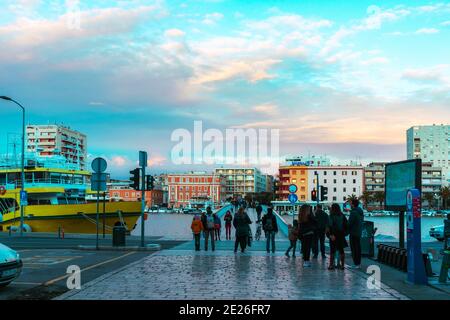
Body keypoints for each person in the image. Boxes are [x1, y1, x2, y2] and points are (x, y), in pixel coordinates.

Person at [326, 204, 348, 270]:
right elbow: (346, 225)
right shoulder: (342, 216)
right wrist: (344, 233)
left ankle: (331, 265)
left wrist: (329, 235)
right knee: (341, 250)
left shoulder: (331, 216)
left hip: (333, 235)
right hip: (341, 235)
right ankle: (342, 265)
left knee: (332, 251)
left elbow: (329, 226)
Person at [348, 199, 364, 268]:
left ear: (353, 204)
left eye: (351, 204)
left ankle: (356, 264)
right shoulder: (360, 211)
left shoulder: (353, 212)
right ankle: (358, 263)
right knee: (358, 247)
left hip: (353, 232)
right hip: (359, 232)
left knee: (354, 248)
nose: (350, 205)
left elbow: (349, 223)